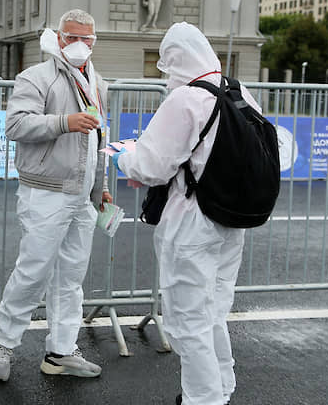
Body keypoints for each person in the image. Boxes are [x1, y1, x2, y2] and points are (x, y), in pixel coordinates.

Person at [112, 22, 259, 405]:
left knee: (187, 322)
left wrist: (122, 156)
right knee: (212, 312)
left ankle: (204, 399)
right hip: (231, 218)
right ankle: (222, 386)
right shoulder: (240, 92)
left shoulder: (186, 99)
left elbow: (150, 167)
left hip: (193, 223)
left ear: (175, 61)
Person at [0, 9, 112, 381]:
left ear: (93, 42)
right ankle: (4, 344)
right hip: (45, 192)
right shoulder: (36, 77)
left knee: (71, 278)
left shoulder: (96, 81)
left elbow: (98, 139)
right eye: (71, 37)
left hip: (81, 196)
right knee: (33, 271)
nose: (79, 44)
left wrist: (100, 187)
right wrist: (64, 122)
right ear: (58, 38)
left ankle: (61, 351)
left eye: (86, 39)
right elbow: (15, 124)